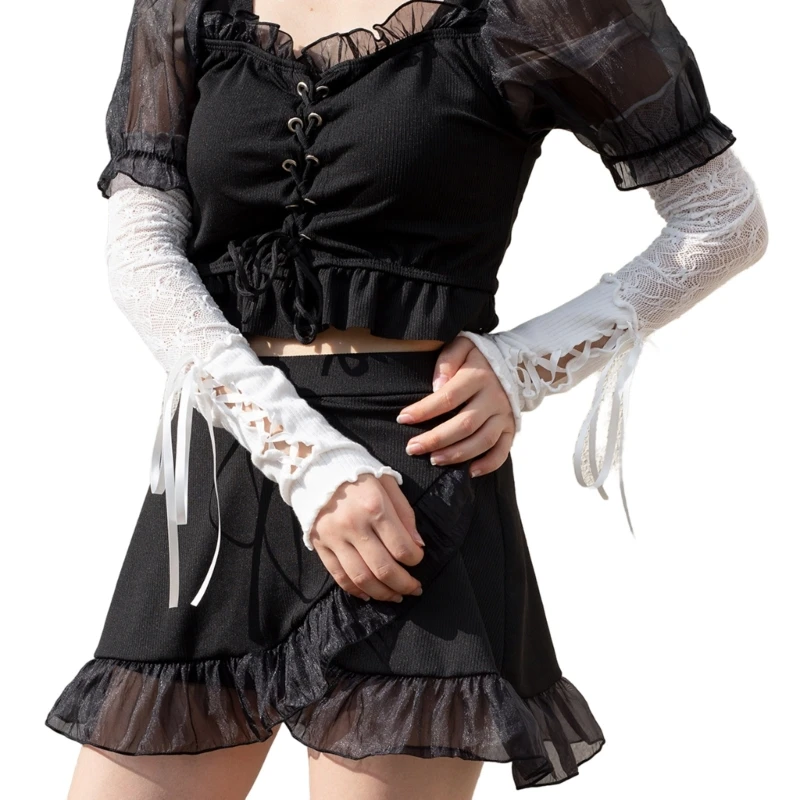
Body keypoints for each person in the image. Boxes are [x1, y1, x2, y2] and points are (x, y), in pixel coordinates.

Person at [45, 1, 768, 798]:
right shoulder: (188, 8)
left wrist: (526, 363)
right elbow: (140, 245)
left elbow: (723, 218)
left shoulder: (537, 9)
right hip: (229, 461)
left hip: (414, 472)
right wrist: (304, 459)